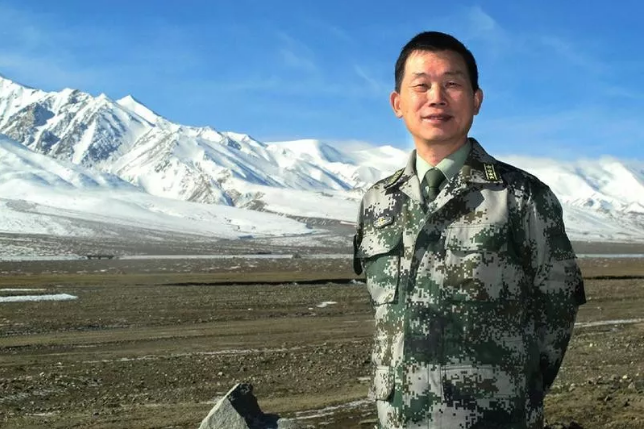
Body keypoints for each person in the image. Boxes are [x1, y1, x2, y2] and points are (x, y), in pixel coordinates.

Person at [353, 31, 586, 428]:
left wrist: (517, 388)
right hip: (397, 418)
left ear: (476, 100)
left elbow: (558, 305)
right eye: (421, 85)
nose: (436, 97)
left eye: (452, 84)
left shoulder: (521, 197)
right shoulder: (377, 201)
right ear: (397, 103)